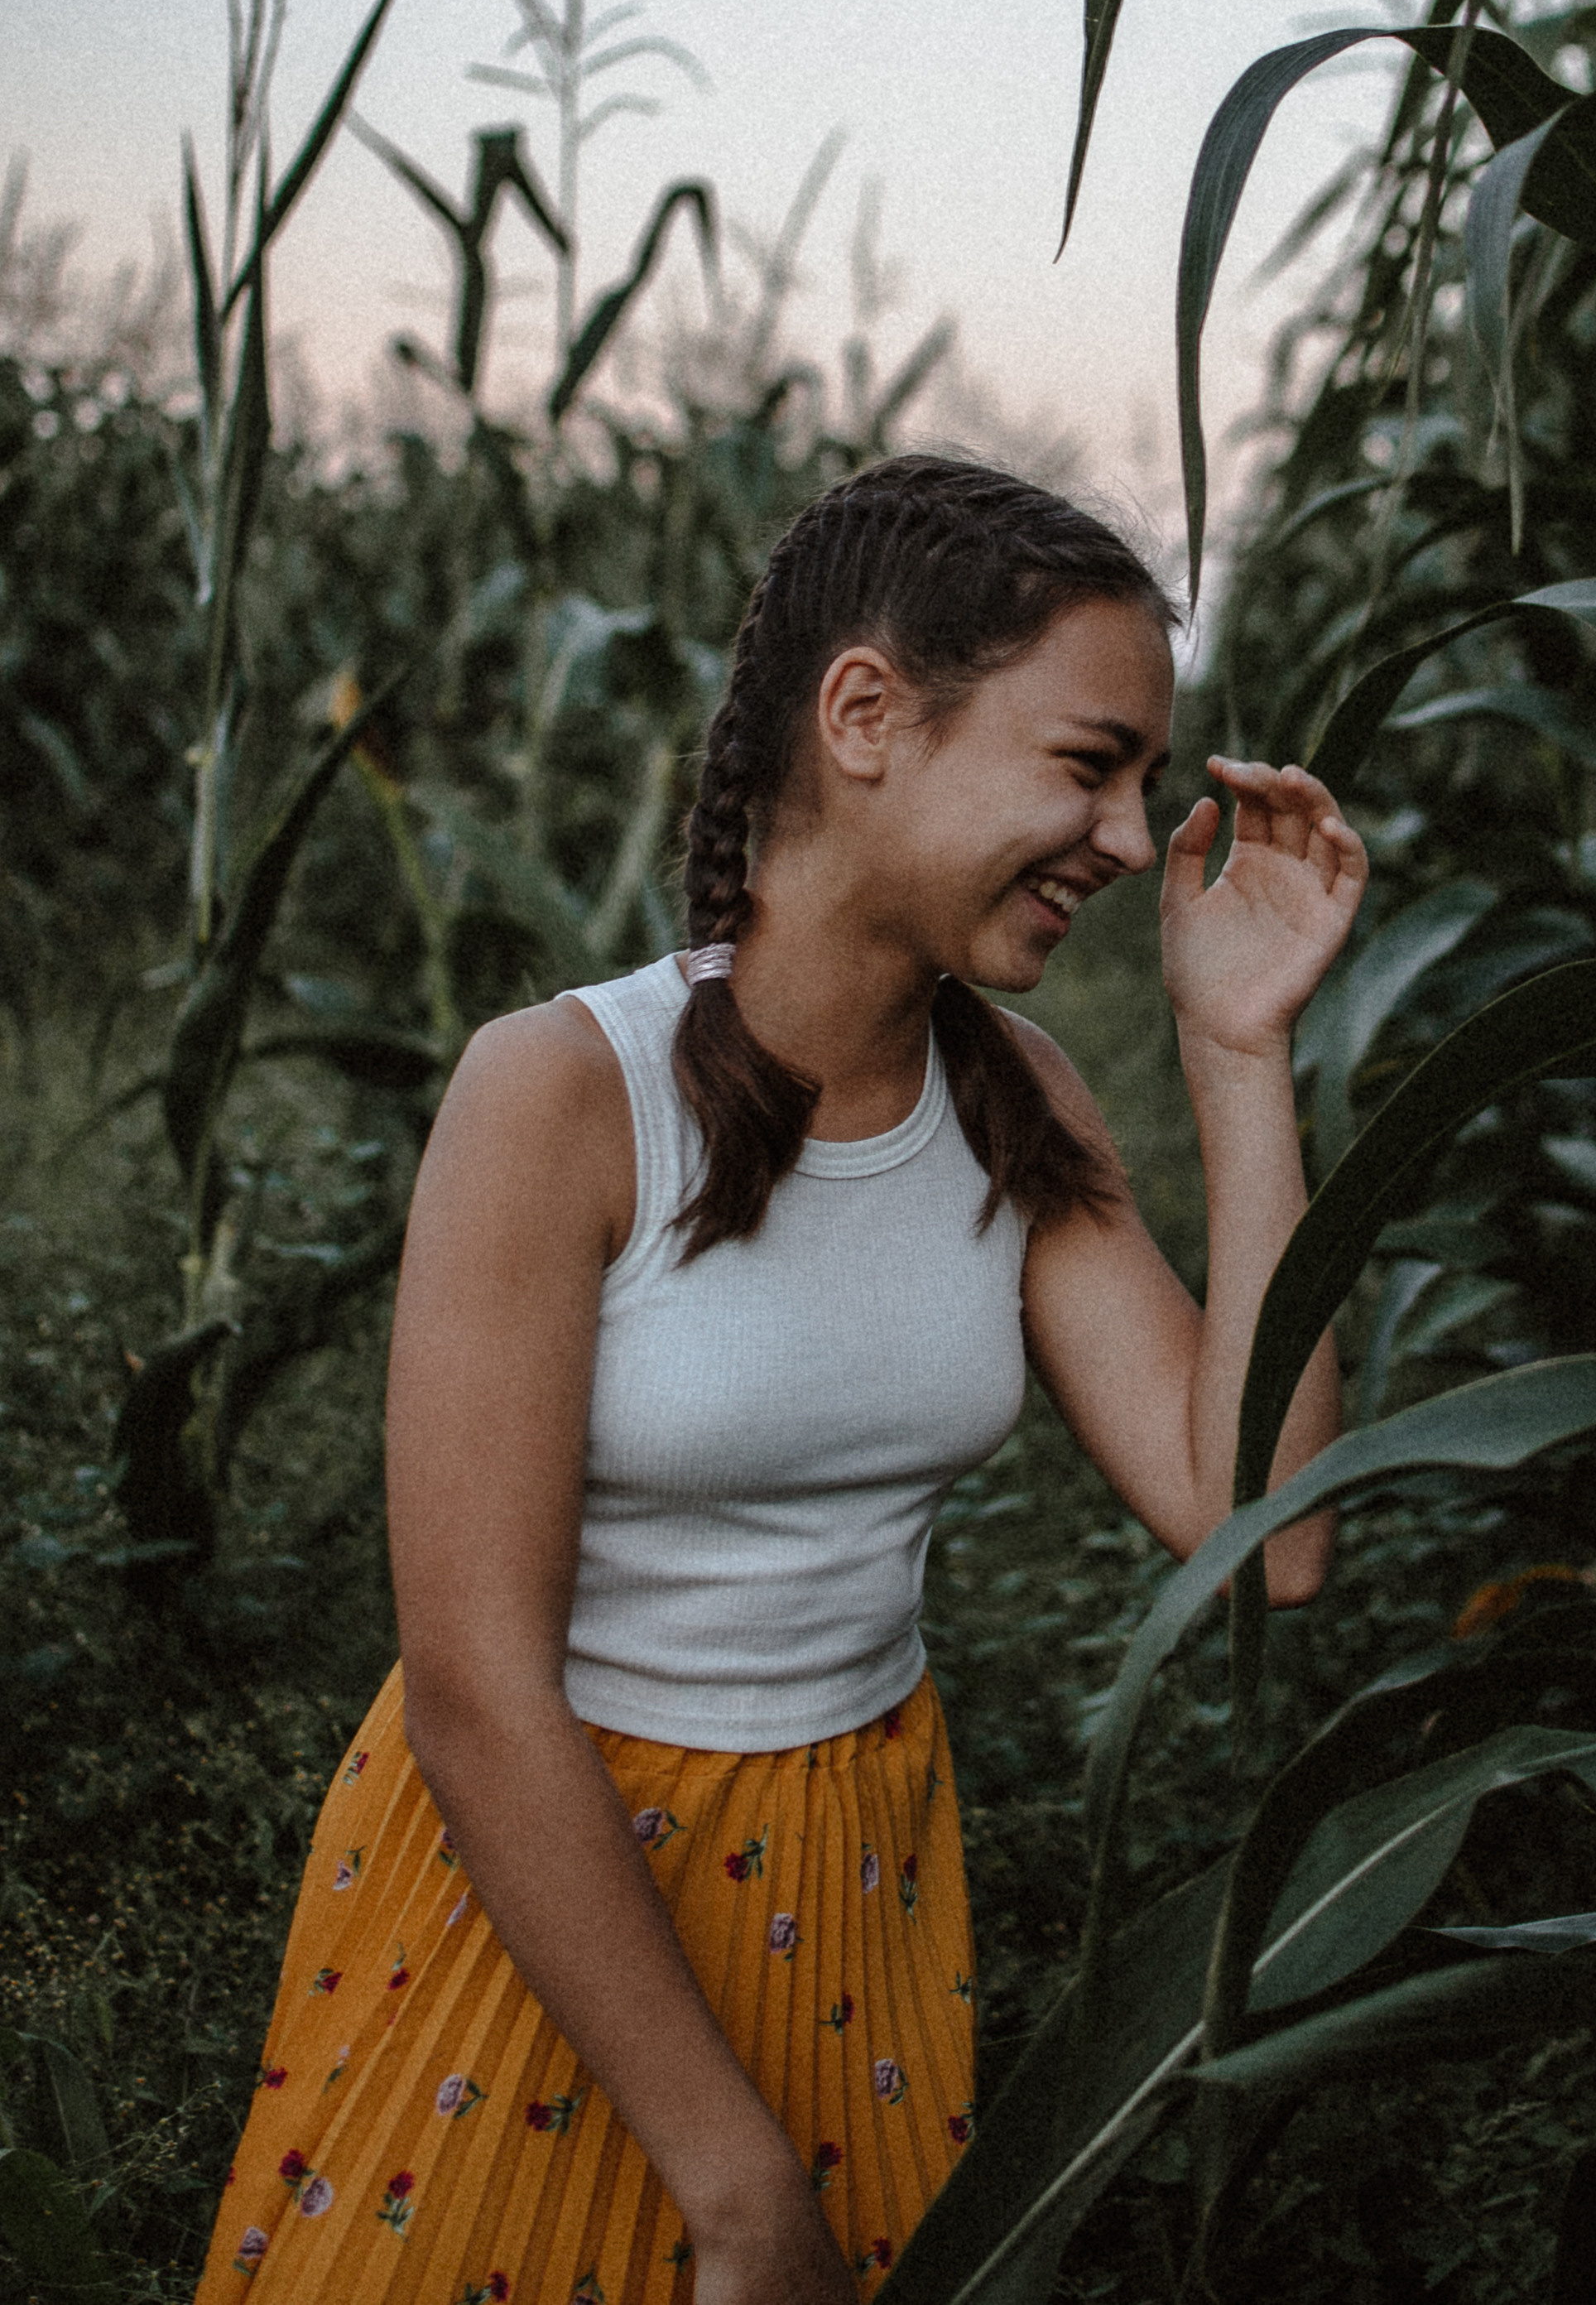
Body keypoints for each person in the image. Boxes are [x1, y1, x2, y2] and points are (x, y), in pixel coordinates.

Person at [195, 454, 1366, 2305]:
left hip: (852, 1884)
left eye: (1146, 783)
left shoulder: (1016, 1103)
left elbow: (1266, 1531)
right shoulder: (563, 1096)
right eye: (1090, 765)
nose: (1134, 839)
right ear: (867, 715)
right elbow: (476, 1689)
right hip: (552, 1899)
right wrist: (737, 2183)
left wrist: (1236, 1051)